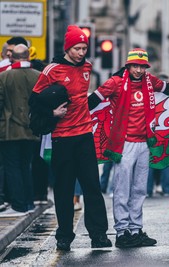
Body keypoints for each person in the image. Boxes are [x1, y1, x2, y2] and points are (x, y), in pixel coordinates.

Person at [31, 25, 112, 251]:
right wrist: (52, 114)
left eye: (84, 48)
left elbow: (85, 100)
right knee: (64, 189)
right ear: (68, 48)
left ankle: (99, 235)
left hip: (85, 135)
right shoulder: (52, 70)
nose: (81, 52)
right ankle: (64, 236)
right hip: (62, 137)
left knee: (92, 188)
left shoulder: (87, 67)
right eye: (77, 48)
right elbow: (34, 101)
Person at [88, 48, 169, 248]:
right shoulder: (115, 83)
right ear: (128, 66)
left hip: (145, 142)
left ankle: (136, 230)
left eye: (142, 66)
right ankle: (121, 232)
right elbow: (93, 101)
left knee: (139, 189)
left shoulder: (150, 81)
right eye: (135, 66)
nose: (138, 70)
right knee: (121, 189)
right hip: (124, 144)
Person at [0, 44, 40, 217]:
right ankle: (29, 202)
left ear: (11, 58)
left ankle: (18, 205)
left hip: (10, 130)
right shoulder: (39, 76)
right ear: (28, 57)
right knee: (26, 166)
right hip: (32, 130)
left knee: (12, 167)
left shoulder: (4, 77)